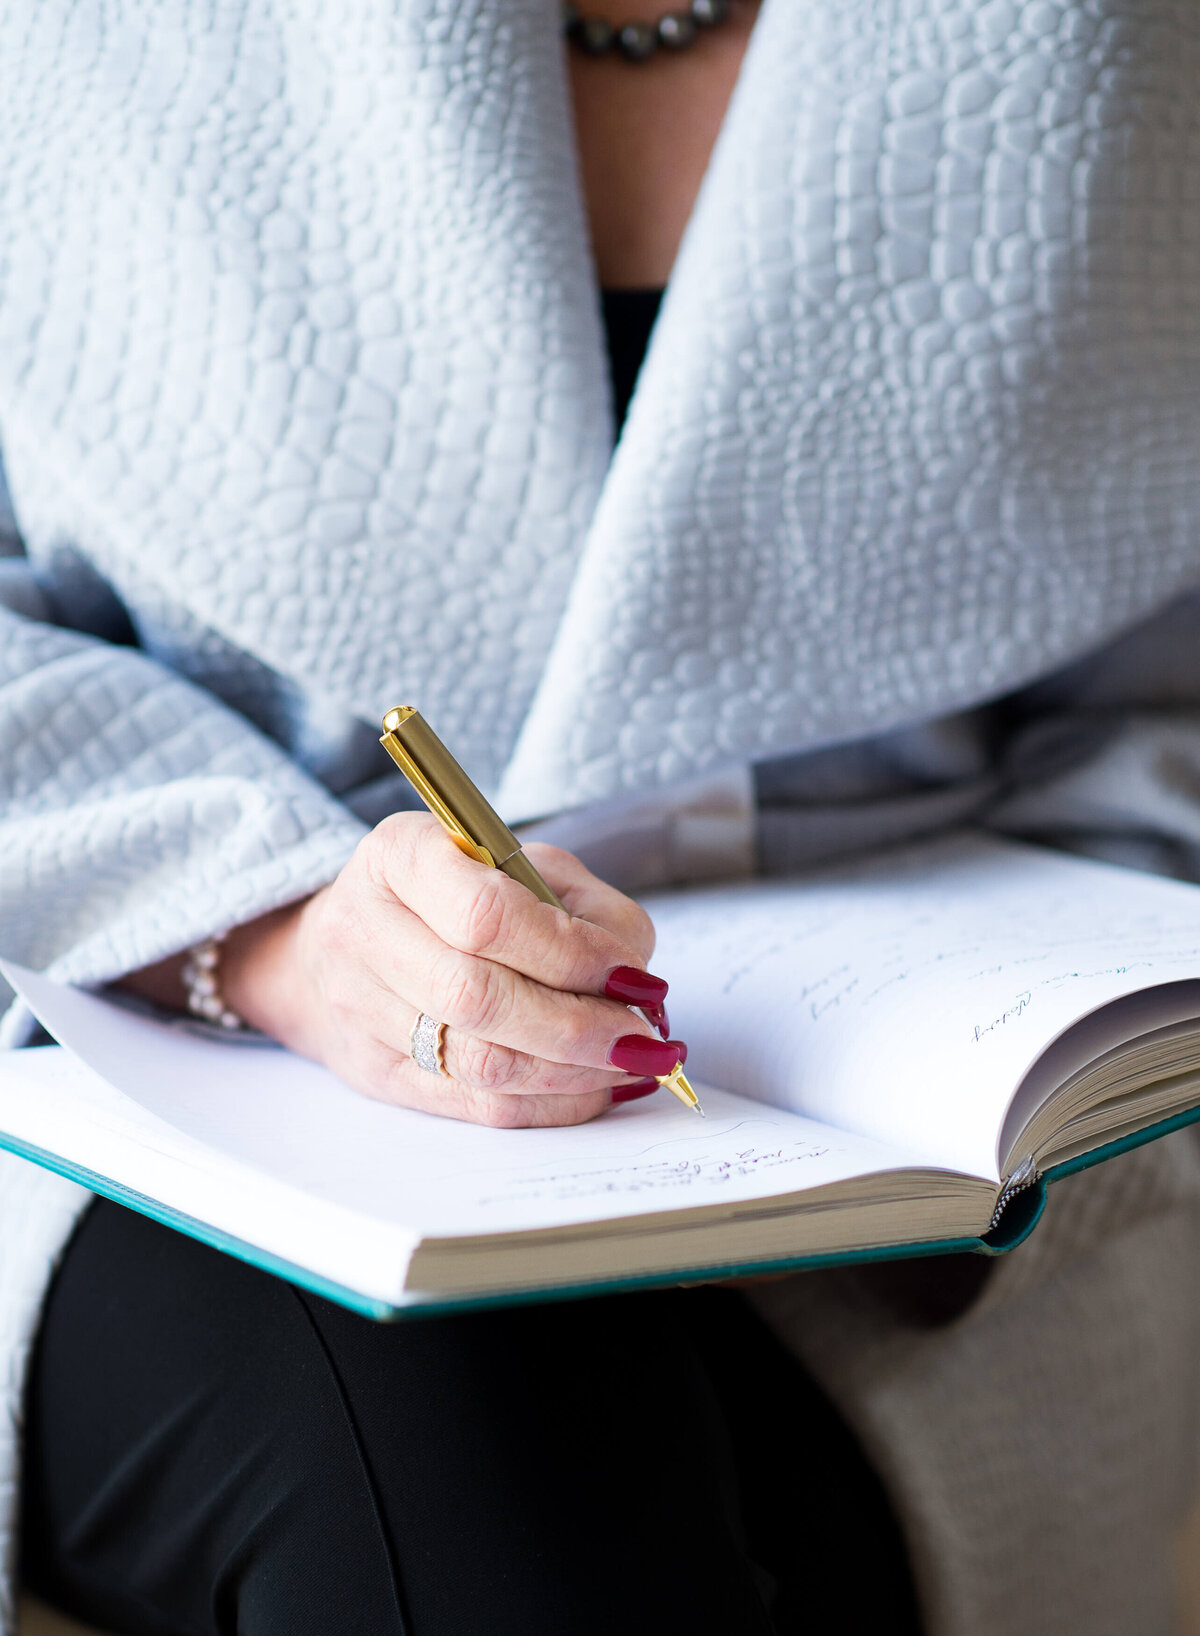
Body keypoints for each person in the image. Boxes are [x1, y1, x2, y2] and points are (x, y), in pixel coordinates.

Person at [2, 1, 1200, 1632]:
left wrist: (1057, 1038)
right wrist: (268, 933)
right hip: (140, 1064)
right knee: (478, 1468)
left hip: (942, 1193)